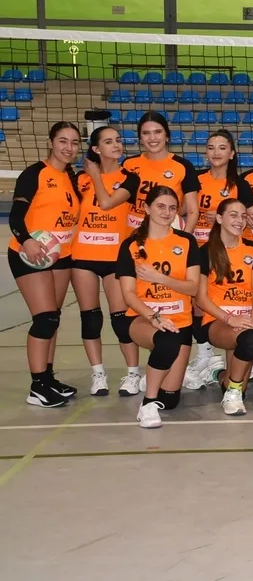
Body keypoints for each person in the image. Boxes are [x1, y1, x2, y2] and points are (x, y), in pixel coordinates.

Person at [116, 186, 203, 429]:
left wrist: (160, 278)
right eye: (160, 206)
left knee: (171, 400)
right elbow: (128, 294)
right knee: (168, 340)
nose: (167, 212)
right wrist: (154, 317)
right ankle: (148, 404)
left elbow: (193, 288)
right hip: (142, 318)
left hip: (180, 320)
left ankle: (156, 374)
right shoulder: (131, 245)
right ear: (147, 208)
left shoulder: (186, 241)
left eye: (172, 208)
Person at [9, 121, 82, 407]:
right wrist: (26, 240)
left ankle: (48, 378)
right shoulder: (34, 173)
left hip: (60, 255)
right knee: (45, 318)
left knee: (54, 317)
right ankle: (37, 386)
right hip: (30, 254)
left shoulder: (71, 178)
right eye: (63, 141)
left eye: (74, 142)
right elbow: (16, 216)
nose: (69, 147)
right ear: (51, 142)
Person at [187, 130, 253, 384]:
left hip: (233, 250)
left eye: (222, 147)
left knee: (238, 295)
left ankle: (243, 359)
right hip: (201, 248)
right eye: (211, 147)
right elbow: (184, 208)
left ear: (231, 153)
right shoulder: (196, 179)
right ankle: (205, 355)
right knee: (198, 304)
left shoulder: (239, 184)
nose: (216, 152)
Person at [76, 125, 142, 397]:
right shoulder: (79, 180)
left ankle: (133, 374)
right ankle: (98, 374)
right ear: (95, 148)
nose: (116, 145)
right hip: (83, 256)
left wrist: (95, 176)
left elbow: (107, 203)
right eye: (108, 141)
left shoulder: (130, 178)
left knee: (120, 320)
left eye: (118, 140)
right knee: (90, 319)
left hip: (115, 258)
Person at [193, 199, 253, 416]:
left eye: (243, 216)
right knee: (251, 340)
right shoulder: (205, 252)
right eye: (233, 215)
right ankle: (232, 393)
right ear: (219, 218)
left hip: (246, 320)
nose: (239, 220)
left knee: (249, 344)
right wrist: (230, 319)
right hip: (217, 320)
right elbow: (201, 298)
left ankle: (218, 374)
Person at [122, 110, 200, 231]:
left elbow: (192, 210)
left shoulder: (183, 166)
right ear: (140, 139)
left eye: (158, 132)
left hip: (168, 233)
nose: (152, 138)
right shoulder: (128, 164)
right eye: (146, 133)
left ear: (167, 136)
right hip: (132, 233)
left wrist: (186, 238)